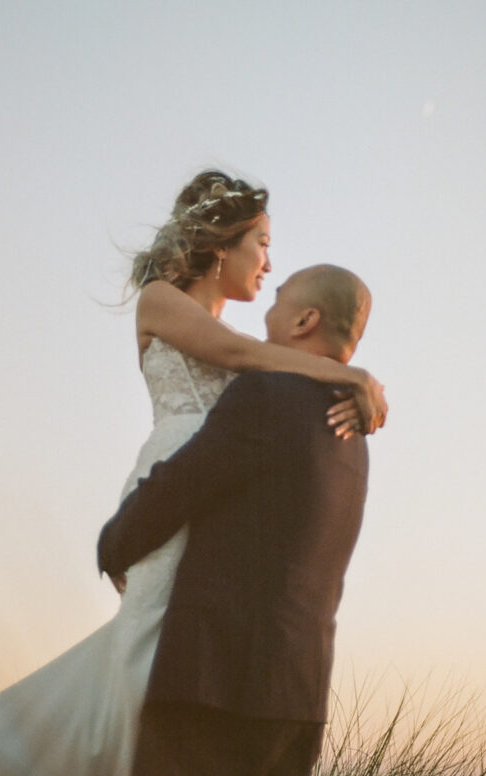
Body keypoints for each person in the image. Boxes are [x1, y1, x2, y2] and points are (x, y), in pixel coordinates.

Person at [0, 171, 387, 775]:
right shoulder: (161, 300)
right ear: (222, 243)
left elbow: (266, 374)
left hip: (218, 493)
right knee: (150, 646)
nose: (269, 264)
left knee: (183, 641)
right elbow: (241, 359)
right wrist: (350, 375)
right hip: (174, 473)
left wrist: (343, 379)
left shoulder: (262, 357)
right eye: (263, 244)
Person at [98, 264, 373, 776]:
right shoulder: (354, 434)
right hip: (299, 698)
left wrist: (113, 544)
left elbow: (179, 486)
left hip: (214, 689)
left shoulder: (263, 395)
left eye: (280, 299)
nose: (268, 307)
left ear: (305, 320)